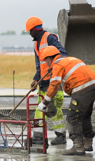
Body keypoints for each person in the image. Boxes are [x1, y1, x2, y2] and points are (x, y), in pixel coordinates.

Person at [38, 46, 95, 155]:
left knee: (73, 118)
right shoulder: (69, 60)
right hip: (94, 87)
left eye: (46, 62)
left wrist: (45, 102)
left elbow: (54, 85)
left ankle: (78, 147)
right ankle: (87, 143)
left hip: (82, 89)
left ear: (49, 59)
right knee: (84, 116)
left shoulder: (58, 65)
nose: (47, 64)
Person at [25, 16, 68, 146]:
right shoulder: (35, 43)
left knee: (52, 110)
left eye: (30, 30)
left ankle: (57, 136)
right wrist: (36, 79)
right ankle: (42, 137)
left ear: (34, 29)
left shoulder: (50, 38)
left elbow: (62, 54)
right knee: (43, 110)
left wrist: (53, 68)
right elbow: (39, 64)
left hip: (53, 80)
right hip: (43, 83)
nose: (29, 33)